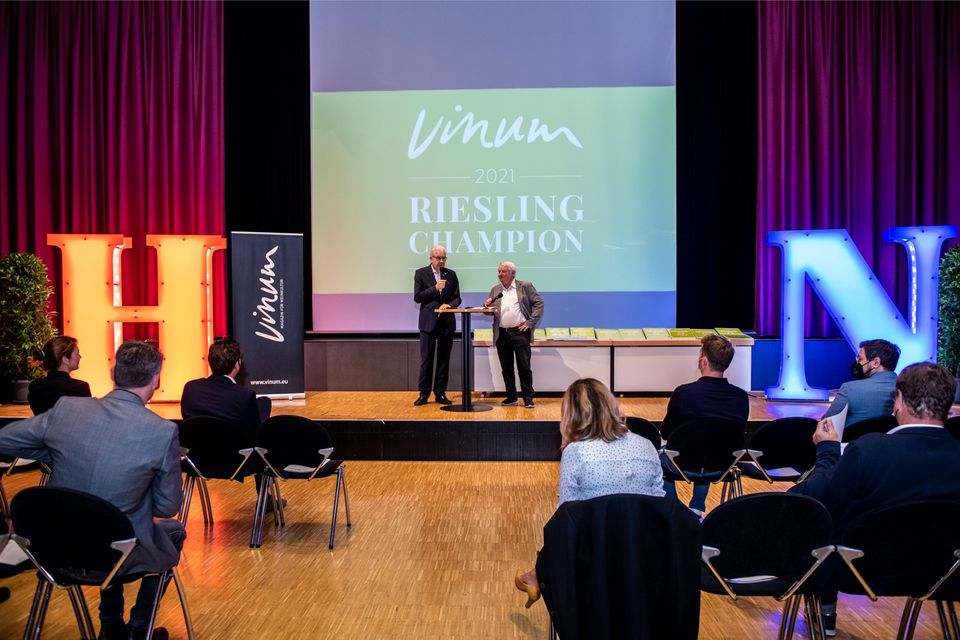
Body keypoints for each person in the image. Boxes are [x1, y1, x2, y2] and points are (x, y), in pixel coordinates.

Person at [0, 341, 184, 640]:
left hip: (55, 548)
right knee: (171, 532)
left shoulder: (67, 410)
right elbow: (167, 507)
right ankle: (140, 628)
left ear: (113, 373)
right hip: (116, 551)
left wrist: (53, 453)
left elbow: (5, 439)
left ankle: (111, 625)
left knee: (108, 525)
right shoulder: (162, 432)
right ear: (156, 379)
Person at [791, 362, 960, 636]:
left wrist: (828, 450)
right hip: (947, 574)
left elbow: (819, 502)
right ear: (949, 406)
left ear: (899, 400)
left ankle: (826, 616)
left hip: (860, 571)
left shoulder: (869, 450)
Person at [514, 378, 664, 607]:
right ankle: (535, 574)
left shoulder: (576, 452)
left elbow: (566, 515)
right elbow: (659, 502)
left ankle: (536, 575)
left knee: (557, 537)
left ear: (571, 415)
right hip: (644, 550)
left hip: (596, 555)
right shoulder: (646, 444)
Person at [660, 334, 749, 516]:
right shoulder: (740, 396)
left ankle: (675, 511)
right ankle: (697, 507)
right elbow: (737, 433)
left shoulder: (684, 393)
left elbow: (666, 432)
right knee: (712, 445)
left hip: (682, 463)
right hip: (721, 465)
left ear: (704, 361)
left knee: (658, 457)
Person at [181, 338, 270, 439]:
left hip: (197, 445)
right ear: (237, 364)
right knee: (264, 403)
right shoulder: (244, 396)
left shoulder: (190, 388)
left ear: (210, 362)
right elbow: (255, 433)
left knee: (263, 402)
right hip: (233, 447)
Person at [484, 261, 544, 408]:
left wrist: (530, 322)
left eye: (504, 271)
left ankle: (528, 398)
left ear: (513, 273)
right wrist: (486, 306)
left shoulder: (525, 286)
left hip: (520, 333)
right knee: (506, 368)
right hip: (502, 334)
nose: (500, 274)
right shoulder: (495, 290)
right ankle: (511, 397)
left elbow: (539, 304)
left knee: (524, 367)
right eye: (499, 271)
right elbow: (489, 312)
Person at [413, 246, 461, 406]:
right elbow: (418, 297)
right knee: (426, 359)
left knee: (443, 359)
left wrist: (449, 305)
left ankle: (440, 393)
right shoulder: (421, 273)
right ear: (431, 258)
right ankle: (424, 393)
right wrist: (435, 289)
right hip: (428, 322)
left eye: (443, 258)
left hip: (446, 322)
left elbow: (457, 298)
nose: (441, 261)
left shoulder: (451, 274)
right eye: (438, 258)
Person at [822, 338, 900, 427]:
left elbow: (826, 425)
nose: (857, 364)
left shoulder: (849, 389)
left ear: (875, 362)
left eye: (860, 359)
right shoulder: (907, 389)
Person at [27, 335, 91, 415]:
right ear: (65, 359)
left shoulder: (35, 386)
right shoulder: (80, 388)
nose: (80, 357)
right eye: (77, 353)